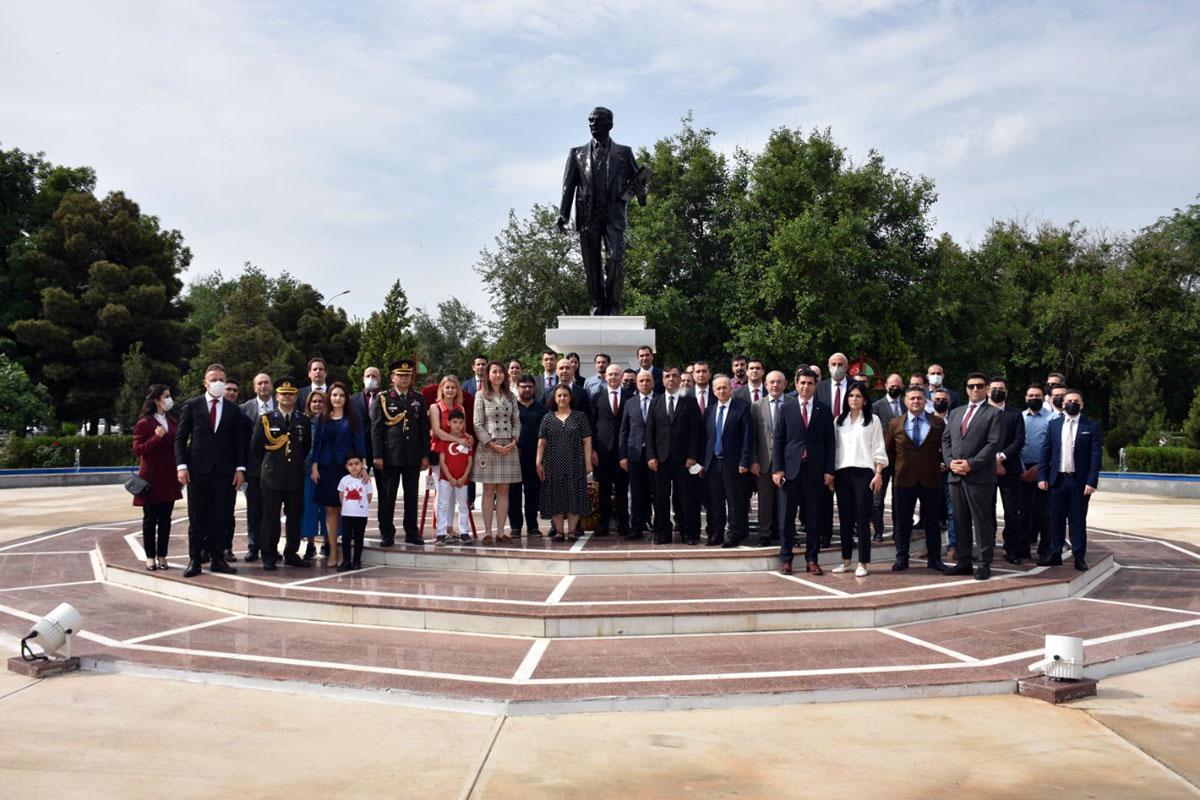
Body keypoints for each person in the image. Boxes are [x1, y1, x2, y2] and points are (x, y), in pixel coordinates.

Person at [556, 106, 647, 316]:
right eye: (590, 121)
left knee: (616, 260)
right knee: (592, 265)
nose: (592, 125)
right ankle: (596, 307)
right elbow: (568, 187)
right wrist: (563, 214)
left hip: (614, 216)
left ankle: (613, 305)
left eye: (597, 121)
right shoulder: (577, 154)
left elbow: (639, 181)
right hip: (588, 216)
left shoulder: (624, 153)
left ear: (610, 124)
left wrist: (642, 193)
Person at [175, 363, 247, 578]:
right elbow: (180, 439)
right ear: (205, 383)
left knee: (221, 517)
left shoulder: (234, 409)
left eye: (221, 380)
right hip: (197, 471)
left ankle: (218, 559)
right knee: (197, 518)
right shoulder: (192, 405)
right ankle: (195, 560)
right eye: (213, 379)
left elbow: (239, 442)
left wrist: (240, 469)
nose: (218, 383)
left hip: (224, 472)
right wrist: (181, 466)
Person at [772, 368, 835, 575]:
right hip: (791, 471)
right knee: (786, 517)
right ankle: (786, 559)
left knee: (813, 518)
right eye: (802, 383)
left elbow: (830, 442)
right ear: (796, 384)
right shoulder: (787, 408)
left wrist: (828, 470)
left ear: (815, 386)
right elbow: (779, 440)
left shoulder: (823, 410)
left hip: (815, 471)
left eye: (810, 383)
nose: (806, 387)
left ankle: (812, 559)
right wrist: (777, 468)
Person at [941, 373, 1002, 580]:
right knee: (959, 520)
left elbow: (993, 444)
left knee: (982, 521)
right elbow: (946, 440)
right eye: (971, 386)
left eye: (979, 386)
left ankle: (984, 563)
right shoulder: (956, 413)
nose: (975, 390)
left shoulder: (993, 413)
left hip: (979, 477)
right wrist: (950, 463)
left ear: (986, 389)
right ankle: (964, 561)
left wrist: (971, 464)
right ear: (966, 389)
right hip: (956, 476)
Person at [250, 377, 312, 571]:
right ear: (277, 396)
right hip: (272, 477)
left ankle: (291, 553)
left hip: (294, 476)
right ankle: (268, 554)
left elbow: (305, 447)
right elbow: (257, 448)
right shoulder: (266, 419)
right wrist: (271, 466)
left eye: (291, 394)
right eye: (283, 394)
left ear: (295, 396)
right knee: (270, 518)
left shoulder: (303, 420)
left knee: (294, 516)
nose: (287, 397)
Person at [1038, 389, 1102, 571]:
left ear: (1082, 404)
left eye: (1076, 401)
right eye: (1069, 401)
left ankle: (1079, 555)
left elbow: (1095, 456)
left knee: (1078, 520)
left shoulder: (1091, 426)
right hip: (1057, 480)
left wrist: (1092, 481)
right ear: (1063, 404)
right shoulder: (1054, 425)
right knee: (1055, 519)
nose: (1072, 403)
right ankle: (1055, 553)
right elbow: (1046, 452)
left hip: (1079, 482)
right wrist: (1042, 476)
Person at [885, 386, 947, 572]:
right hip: (904, 480)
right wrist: (898, 468)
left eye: (919, 398)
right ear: (906, 401)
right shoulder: (895, 423)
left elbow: (946, 446)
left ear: (924, 401)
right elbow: (889, 451)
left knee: (932, 523)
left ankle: (934, 559)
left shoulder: (937, 423)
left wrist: (942, 463)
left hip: (931, 479)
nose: (916, 401)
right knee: (903, 523)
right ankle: (902, 558)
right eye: (912, 398)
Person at [371, 359, 430, 547]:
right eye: (400, 375)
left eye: (407, 375)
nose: (404, 378)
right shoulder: (384, 398)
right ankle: (387, 532)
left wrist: (425, 455)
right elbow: (377, 429)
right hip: (390, 455)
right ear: (392, 378)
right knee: (388, 496)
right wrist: (377, 455)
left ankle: (412, 532)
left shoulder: (418, 398)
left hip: (412, 455)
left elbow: (423, 429)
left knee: (411, 496)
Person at [831, 383, 887, 576]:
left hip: (864, 473)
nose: (854, 399)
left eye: (858, 396)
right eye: (851, 396)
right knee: (845, 518)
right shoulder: (839, 420)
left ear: (864, 400)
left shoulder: (873, 420)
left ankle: (862, 562)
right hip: (842, 472)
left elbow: (879, 447)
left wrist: (878, 473)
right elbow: (834, 448)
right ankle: (846, 560)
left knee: (862, 518)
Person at [309, 381, 366, 569]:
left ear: (346, 398)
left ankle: (346, 554)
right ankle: (333, 551)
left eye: (341, 395)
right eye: (334, 395)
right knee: (330, 511)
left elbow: (359, 443)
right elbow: (316, 444)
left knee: (347, 512)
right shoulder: (322, 417)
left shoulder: (353, 417)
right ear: (329, 397)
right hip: (326, 468)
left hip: (347, 469)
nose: (337, 398)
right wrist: (315, 467)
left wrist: (363, 466)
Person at [646, 366, 703, 545]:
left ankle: (688, 532)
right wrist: (651, 456)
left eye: (675, 376)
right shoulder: (655, 402)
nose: (671, 379)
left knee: (686, 497)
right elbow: (650, 432)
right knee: (661, 498)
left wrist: (693, 456)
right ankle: (663, 532)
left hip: (684, 459)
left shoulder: (691, 402)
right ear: (661, 380)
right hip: (661, 459)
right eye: (667, 376)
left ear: (680, 379)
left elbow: (696, 431)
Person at [132, 384, 183, 571]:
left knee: (166, 519)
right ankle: (150, 556)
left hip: (169, 478)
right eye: (166, 396)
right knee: (150, 519)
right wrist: (155, 438)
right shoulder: (144, 423)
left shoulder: (172, 421)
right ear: (156, 400)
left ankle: (163, 556)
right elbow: (138, 449)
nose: (169, 399)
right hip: (151, 479)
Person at [700, 375, 755, 548]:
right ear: (714, 391)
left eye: (725, 387)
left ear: (731, 389)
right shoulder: (709, 411)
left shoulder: (742, 408)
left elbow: (748, 437)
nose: (722, 391)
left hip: (734, 463)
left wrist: (745, 461)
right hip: (713, 463)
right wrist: (702, 463)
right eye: (718, 388)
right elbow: (705, 439)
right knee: (715, 502)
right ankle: (716, 533)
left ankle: (733, 534)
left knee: (734, 502)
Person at [537, 384, 594, 541]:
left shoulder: (580, 416)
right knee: (556, 496)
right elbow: (541, 442)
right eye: (559, 396)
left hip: (575, 462)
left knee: (574, 495)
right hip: (552, 463)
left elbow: (587, 441)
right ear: (554, 399)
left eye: (565, 395)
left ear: (570, 398)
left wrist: (588, 461)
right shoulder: (547, 418)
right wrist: (538, 462)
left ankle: (572, 531)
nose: (562, 398)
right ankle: (559, 531)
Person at [474, 360, 521, 543]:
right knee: (488, 491)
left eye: (501, 372)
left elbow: (516, 422)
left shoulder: (511, 396)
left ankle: (501, 531)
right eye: (494, 372)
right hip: (489, 447)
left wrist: (514, 441)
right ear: (488, 375)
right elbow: (478, 424)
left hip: (509, 447)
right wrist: (492, 444)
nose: (499, 375)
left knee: (503, 491)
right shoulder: (481, 395)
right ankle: (487, 531)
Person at [988, 376, 1027, 564]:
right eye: (994, 388)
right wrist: (992, 462)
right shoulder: (980, 412)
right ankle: (987, 547)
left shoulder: (1015, 413)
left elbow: (1019, 440)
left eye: (1001, 389)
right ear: (988, 391)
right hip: (985, 470)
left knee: (1012, 512)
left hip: (1009, 470)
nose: (997, 391)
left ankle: (1012, 550)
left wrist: (1001, 458)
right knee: (986, 511)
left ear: (1007, 392)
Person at [589, 363, 631, 536]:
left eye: (616, 374)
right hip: (602, 451)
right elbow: (591, 425)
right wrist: (592, 450)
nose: (613, 377)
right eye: (610, 374)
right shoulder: (597, 397)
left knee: (622, 489)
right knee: (604, 490)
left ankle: (623, 524)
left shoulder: (630, 397)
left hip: (622, 451)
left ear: (621, 377)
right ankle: (603, 524)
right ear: (605, 377)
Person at [238, 372, 274, 562]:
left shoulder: (281, 406)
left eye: (266, 382)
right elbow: (240, 441)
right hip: (252, 469)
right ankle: (254, 546)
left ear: (272, 386)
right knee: (254, 510)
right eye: (259, 383)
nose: (263, 386)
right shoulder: (244, 409)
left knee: (273, 511)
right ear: (254, 388)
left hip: (276, 469)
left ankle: (271, 546)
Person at [619, 369, 657, 541]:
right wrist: (623, 455)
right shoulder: (630, 402)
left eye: (647, 380)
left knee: (657, 492)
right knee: (636, 492)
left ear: (653, 383)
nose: (644, 383)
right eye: (641, 381)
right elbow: (624, 430)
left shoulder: (660, 401)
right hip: (634, 453)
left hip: (655, 454)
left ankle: (660, 526)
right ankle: (636, 527)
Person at [750, 370, 787, 546]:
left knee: (785, 501)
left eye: (779, 382)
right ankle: (764, 534)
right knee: (765, 501)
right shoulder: (756, 406)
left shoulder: (793, 404)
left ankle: (783, 532)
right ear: (765, 385)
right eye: (771, 382)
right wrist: (754, 460)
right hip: (764, 462)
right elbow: (753, 437)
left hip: (787, 462)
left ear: (785, 385)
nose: (775, 385)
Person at [1017, 383, 1053, 562]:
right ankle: (1023, 548)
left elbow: (1054, 447)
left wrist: (1039, 467)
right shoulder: (1019, 417)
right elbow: (1015, 445)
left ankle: (1045, 549)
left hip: (1043, 470)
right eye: (1030, 396)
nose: (1034, 399)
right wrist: (1022, 468)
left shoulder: (1052, 418)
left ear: (1043, 398)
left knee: (1045, 513)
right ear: (1025, 398)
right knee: (1022, 513)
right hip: (1022, 470)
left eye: (1037, 396)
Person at [509, 375, 548, 537]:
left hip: (535, 457)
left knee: (533, 493)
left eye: (530, 386)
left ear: (534, 388)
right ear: (517, 387)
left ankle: (533, 526)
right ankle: (515, 527)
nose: (527, 389)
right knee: (514, 492)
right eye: (523, 386)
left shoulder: (541, 409)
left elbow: (546, 434)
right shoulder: (511, 407)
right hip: (514, 455)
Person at [871, 373, 906, 543]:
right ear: (885, 386)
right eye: (891, 386)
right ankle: (878, 530)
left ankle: (898, 531)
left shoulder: (907, 407)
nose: (894, 388)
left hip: (902, 460)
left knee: (899, 498)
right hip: (882, 460)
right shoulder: (877, 406)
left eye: (897, 385)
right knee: (877, 498)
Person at [436, 410, 474, 545]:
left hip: (462, 480)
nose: (458, 425)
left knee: (463, 505)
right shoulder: (444, 441)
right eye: (454, 422)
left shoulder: (467, 440)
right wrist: (450, 478)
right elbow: (442, 461)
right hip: (446, 479)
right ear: (448, 423)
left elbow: (470, 461)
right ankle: (441, 533)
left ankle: (464, 532)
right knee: (443, 505)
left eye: (460, 422)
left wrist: (464, 477)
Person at [299, 390, 328, 559]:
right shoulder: (303, 423)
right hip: (307, 472)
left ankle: (327, 542)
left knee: (327, 509)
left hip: (327, 471)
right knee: (309, 509)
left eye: (320, 401)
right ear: (309, 404)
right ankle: (310, 544)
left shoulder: (330, 422)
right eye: (314, 401)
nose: (317, 404)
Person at [336, 452, 372, 571]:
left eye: (356, 463)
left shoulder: (366, 480)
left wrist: (362, 507)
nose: (354, 467)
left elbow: (369, 496)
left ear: (362, 464)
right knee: (346, 538)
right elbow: (341, 494)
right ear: (346, 466)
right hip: (347, 515)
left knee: (358, 538)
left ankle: (357, 561)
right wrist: (345, 506)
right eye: (350, 464)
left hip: (361, 515)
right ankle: (346, 561)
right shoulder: (344, 480)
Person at [350, 365, 382, 473]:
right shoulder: (353, 400)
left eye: (374, 376)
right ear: (363, 379)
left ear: (379, 380)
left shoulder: (386, 399)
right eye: (368, 376)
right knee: (359, 485)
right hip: (361, 449)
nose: (371, 378)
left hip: (381, 450)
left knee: (384, 488)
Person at [817, 352, 852, 416]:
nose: (836, 367)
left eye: (840, 364)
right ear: (829, 367)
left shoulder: (855, 386)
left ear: (846, 368)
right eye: (833, 364)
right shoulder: (819, 387)